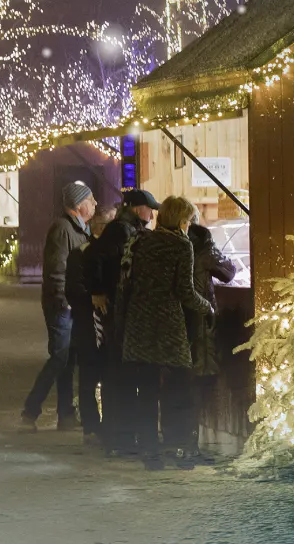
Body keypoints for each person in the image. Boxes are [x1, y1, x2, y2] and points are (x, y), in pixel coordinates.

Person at [119, 196, 211, 470]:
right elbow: (184, 292)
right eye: (190, 221)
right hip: (168, 325)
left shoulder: (140, 240)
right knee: (180, 387)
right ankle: (181, 448)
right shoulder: (181, 245)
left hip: (139, 322)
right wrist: (207, 306)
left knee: (145, 390)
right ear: (182, 221)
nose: (190, 226)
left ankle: (150, 452)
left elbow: (126, 281)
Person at [84, 188, 159, 457]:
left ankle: (120, 436)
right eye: (150, 209)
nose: (152, 215)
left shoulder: (128, 229)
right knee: (119, 374)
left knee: (121, 374)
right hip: (117, 312)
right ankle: (119, 437)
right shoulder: (121, 230)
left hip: (121, 311)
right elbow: (93, 258)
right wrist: (98, 291)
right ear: (139, 208)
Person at [20, 182, 95, 431]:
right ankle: (30, 411)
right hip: (62, 305)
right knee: (60, 358)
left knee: (68, 359)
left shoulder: (81, 229)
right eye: (91, 200)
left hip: (73, 304)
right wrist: (64, 300)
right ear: (79, 204)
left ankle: (66, 415)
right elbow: (56, 268)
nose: (95, 204)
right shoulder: (63, 229)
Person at [184, 208, 237, 462]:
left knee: (180, 383)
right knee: (198, 382)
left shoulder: (172, 245)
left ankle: (180, 443)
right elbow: (228, 272)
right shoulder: (204, 247)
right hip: (201, 324)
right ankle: (191, 446)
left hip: (176, 324)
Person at [69, 206, 115, 443]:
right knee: (90, 377)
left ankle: (103, 426)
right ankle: (91, 427)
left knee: (104, 376)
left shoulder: (107, 252)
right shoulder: (82, 253)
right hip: (89, 325)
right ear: (100, 228)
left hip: (103, 326)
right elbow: (73, 290)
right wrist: (92, 299)